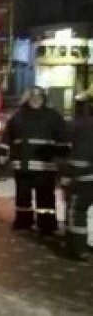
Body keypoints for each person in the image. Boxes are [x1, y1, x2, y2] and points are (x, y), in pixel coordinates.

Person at [0, 86, 70, 235]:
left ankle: (46, 225)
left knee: (46, 200)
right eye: (33, 97)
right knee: (23, 199)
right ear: (28, 99)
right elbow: (7, 137)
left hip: (45, 167)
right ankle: (23, 223)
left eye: (39, 97)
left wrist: (63, 159)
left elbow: (63, 140)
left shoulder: (53, 117)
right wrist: (2, 152)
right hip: (23, 166)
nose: (36, 100)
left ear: (44, 99)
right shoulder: (18, 116)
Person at [60, 92, 93, 261]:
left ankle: (77, 249)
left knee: (77, 211)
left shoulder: (82, 126)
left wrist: (67, 174)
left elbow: (78, 157)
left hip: (84, 178)